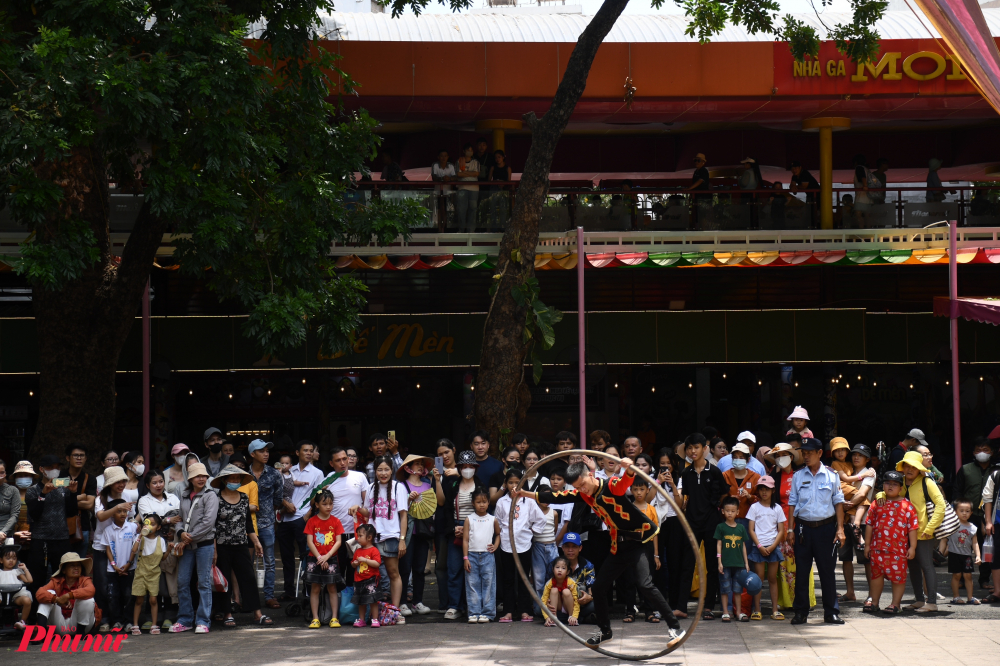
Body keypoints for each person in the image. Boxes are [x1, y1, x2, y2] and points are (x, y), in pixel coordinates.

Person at [517, 456, 684, 647]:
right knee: (598, 588)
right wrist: (523, 493)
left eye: (583, 484)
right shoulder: (585, 494)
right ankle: (605, 631)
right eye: (578, 487)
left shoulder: (610, 485)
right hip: (618, 546)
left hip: (638, 541)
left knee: (645, 584)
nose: (582, 490)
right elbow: (556, 496)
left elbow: (624, 483)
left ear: (590, 475)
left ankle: (675, 628)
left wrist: (628, 469)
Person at [787, 437, 846, 625]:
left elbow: (838, 503)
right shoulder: (798, 476)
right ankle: (801, 612)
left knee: (827, 572)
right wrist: (790, 529)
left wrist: (841, 529)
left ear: (819, 453)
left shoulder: (831, 475)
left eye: (809, 453)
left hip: (826, 529)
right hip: (803, 528)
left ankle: (831, 612)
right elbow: (792, 503)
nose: (806, 457)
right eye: (803, 453)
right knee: (802, 572)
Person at [211, 465, 269, 628]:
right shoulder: (216, 498)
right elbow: (213, 526)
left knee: (248, 577)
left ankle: (257, 613)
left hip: (241, 544)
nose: (235, 481)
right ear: (224, 480)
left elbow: (248, 524)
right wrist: (214, 549)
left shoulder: (244, 498)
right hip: (222, 546)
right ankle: (227, 613)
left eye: (238, 478)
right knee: (225, 581)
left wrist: (256, 542)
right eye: (232, 478)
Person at [678, 433, 727, 621]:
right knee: (687, 564)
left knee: (712, 566)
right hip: (692, 523)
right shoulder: (685, 473)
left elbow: (724, 494)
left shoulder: (714, 471)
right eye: (690, 448)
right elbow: (686, 497)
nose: (693, 451)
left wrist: (717, 510)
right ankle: (681, 607)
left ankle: (708, 606)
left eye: (696, 447)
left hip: (711, 523)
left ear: (704, 449)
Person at [890, 450, 945, 612]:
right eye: (906, 465)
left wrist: (930, 528)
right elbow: (889, 494)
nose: (909, 469)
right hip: (905, 533)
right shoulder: (901, 482)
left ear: (919, 468)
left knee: (927, 565)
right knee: (913, 567)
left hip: (923, 533)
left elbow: (941, 505)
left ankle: (932, 602)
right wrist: (880, 494)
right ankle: (920, 600)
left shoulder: (926, 482)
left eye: (913, 466)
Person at [169, 462, 219, 634]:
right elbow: (179, 518)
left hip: (203, 544)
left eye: (204, 476)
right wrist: (181, 532)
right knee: (182, 582)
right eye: (197, 476)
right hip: (187, 545)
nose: (201, 479)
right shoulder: (183, 495)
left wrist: (188, 538)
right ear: (190, 478)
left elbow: (208, 522)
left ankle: (203, 620)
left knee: (203, 583)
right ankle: (185, 619)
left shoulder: (210, 495)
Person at [358, 454, 408, 615]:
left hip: (392, 537)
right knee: (371, 575)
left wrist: (402, 539)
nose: (383, 473)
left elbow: (403, 515)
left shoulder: (398, 487)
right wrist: (357, 508)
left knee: (393, 573)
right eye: (380, 470)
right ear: (375, 471)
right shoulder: (372, 487)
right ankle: (374, 612)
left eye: (386, 469)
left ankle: (395, 610)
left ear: (392, 470)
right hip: (373, 538)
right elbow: (367, 511)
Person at [863, 470, 919, 614]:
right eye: (887, 483)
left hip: (898, 550)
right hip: (877, 548)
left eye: (895, 484)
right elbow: (869, 524)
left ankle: (896, 604)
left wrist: (912, 547)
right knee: (876, 575)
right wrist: (867, 545)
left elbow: (912, 528)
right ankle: (874, 602)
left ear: (901, 488)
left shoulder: (908, 506)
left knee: (898, 577)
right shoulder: (877, 503)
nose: (890, 486)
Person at [396, 454, 444, 617]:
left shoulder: (427, 485)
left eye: (421, 464)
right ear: (407, 468)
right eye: (416, 464)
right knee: (404, 568)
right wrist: (409, 500)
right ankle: (402, 602)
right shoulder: (402, 486)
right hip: (407, 533)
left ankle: (418, 601)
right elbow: (399, 510)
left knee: (419, 569)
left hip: (423, 532)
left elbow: (434, 505)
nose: (419, 466)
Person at [25, 454, 78, 601]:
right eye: (50, 468)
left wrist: (73, 494)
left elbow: (72, 512)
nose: (55, 470)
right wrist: (43, 494)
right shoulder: (33, 490)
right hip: (40, 540)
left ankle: (62, 612)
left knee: (62, 576)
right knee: (37, 577)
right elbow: (34, 514)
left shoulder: (63, 488)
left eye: (57, 468)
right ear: (42, 469)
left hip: (61, 538)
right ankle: (35, 613)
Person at [495, 468, 543, 623]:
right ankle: (508, 611)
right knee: (508, 578)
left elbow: (540, 520)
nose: (514, 485)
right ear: (506, 484)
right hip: (506, 545)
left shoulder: (529, 501)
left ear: (523, 483)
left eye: (517, 482)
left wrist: (530, 531)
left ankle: (524, 610)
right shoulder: (502, 501)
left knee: (524, 578)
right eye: (510, 482)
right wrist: (501, 535)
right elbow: (497, 522)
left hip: (524, 544)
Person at [276, 440, 322, 602]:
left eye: (311, 450)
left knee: (306, 557)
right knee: (286, 557)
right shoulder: (288, 469)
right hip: (285, 518)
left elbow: (319, 496)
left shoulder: (317, 473)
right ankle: (289, 591)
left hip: (302, 518)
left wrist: (308, 515)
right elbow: (277, 489)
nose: (309, 453)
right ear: (297, 453)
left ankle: (308, 591)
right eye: (305, 450)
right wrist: (284, 504)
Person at [442, 449, 482, 619]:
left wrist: (469, 528)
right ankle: (454, 606)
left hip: (476, 529)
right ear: (458, 468)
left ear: (475, 468)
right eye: (463, 466)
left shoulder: (480, 485)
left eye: (469, 466)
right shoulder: (453, 485)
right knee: (454, 569)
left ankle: (472, 606)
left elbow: (484, 508)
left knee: (474, 569)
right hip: (456, 530)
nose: (467, 469)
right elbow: (447, 510)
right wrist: (454, 529)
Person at [246, 439, 282, 610]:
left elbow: (278, 500)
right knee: (248, 561)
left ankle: (269, 596)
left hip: (267, 522)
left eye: (267, 451)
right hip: (247, 524)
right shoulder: (243, 475)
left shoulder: (275, 474)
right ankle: (250, 598)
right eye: (262, 451)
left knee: (270, 562)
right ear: (252, 454)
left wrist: (268, 514)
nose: (266, 454)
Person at [619, 476, 661, 623]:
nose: (638, 492)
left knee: (647, 580)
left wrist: (656, 555)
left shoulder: (651, 510)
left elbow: (655, 533)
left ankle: (649, 611)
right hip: (631, 545)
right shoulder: (628, 508)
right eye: (635, 489)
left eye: (642, 489)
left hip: (647, 546)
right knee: (630, 579)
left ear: (648, 490)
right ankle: (630, 611)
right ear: (631, 490)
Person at [839, 443, 875, 604]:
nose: (856, 457)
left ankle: (871, 594)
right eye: (854, 454)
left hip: (863, 522)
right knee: (845, 558)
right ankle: (850, 592)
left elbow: (862, 494)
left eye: (860, 455)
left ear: (867, 459)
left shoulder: (869, 474)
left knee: (866, 558)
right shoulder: (848, 472)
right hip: (846, 520)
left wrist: (848, 505)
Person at [957, 436, 995, 591]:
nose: (982, 453)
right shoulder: (965, 469)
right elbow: (957, 492)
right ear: (973, 452)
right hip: (967, 515)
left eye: (985, 449)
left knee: (986, 548)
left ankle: (984, 579)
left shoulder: (996, 471)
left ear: (992, 452)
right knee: (963, 547)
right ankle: (962, 578)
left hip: (989, 516)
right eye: (978, 450)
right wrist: (958, 513)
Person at [303, 488, 344, 629]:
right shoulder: (312, 521)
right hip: (315, 558)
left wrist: (327, 556)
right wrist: (320, 557)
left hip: (330, 558)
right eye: (325, 504)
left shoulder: (336, 521)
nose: (328, 507)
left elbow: (338, 541)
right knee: (315, 588)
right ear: (317, 505)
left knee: (332, 588)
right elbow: (310, 542)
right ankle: (315, 618)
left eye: (331, 504)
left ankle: (334, 617)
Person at [746, 476, 785, 620]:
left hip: (773, 547)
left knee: (773, 578)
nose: (764, 492)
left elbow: (781, 530)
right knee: (759, 579)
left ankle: (775, 610)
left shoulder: (777, 508)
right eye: (761, 489)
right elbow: (751, 529)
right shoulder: (754, 507)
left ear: (773, 491)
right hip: (759, 547)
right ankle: (757, 609)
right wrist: (760, 546)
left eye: (767, 489)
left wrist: (773, 546)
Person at [653, 450, 685, 618]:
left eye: (668, 464)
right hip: (658, 522)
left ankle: (673, 605)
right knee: (658, 564)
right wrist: (658, 481)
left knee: (674, 564)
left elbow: (679, 505)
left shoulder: (679, 479)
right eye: (662, 464)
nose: (665, 467)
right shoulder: (653, 478)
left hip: (674, 523)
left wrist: (672, 485)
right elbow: (648, 497)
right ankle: (659, 605)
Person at [34, 552, 98, 634]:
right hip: (60, 624)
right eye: (72, 565)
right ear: (63, 570)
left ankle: (80, 634)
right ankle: (40, 633)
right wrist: (56, 599)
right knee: (48, 594)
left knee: (88, 600)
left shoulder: (85, 580)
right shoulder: (56, 581)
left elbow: (91, 590)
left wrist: (68, 596)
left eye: (78, 565)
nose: (76, 568)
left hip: (79, 625)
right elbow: (39, 593)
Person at [463, 486, 499, 623]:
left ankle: (488, 613)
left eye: (484, 501)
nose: (482, 504)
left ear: (489, 502)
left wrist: (495, 545)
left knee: (489, 584)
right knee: (472, 584)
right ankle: (474, 612)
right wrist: (465, 557)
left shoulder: (492, 519)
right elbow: (465, 540)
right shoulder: (469, 519)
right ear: (473, 503)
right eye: (478, 502)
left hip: (487, 556)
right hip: (472, 555)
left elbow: (498, 534)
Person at [103, 497, 139, 631]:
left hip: (130, 569)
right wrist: (114, 566)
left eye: (125, 511)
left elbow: (135, 547)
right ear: (113, 513)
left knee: (129, 595)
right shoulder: (108, 530)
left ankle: (129, 621)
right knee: (113, 596)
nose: (123, 514)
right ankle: (117, 621)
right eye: (119, 511)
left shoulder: (133, 527)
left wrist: (128, 564)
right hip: (113, 570)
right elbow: (108, 549)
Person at [434, 438, 461, 614]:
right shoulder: (438, 474)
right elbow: (441, 502)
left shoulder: (465, 470)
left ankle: (457, 604)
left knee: (456, 566)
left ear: (454, 450)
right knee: (441, 567)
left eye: (446, 452)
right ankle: (445, 603)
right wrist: (437, 479)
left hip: (460, 525)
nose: (444, 456)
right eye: (440, 454)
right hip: (442, 525)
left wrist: (458, 474)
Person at [715, 496, 750, 622]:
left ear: (737, 512)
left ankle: (739, 612)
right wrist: (719, 561)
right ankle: (725, 612)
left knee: (737, 590)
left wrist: (746, 563)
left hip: (739, 563)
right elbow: (719, 544)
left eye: (733, 511)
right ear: (723, 511)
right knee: (725, 589)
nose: (730, 513)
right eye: (727, 510)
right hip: (725, 563)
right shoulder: (720, 527)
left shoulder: (741, 528)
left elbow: (744, 546)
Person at [131, 514, 165, 635]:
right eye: (147, 523)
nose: (149, 526)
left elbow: (163, 557)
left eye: (153, 524)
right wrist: (140, 535)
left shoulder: (161, 541)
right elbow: (134, 550)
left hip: (154, 573)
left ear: (158, 527)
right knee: (139, 599)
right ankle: (135, 625)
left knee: (153, 599)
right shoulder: (140, 539)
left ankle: (154, 624)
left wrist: (170, 549)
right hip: (141, 572)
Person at [942, 499, 981, 605]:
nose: (964, 513)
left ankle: (970, 597)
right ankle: (956, 597)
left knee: (968, 576)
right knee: (957, 575)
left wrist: (978, 555)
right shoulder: (951, 525)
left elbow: (975, 543)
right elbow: (944, 539)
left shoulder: (973, 528)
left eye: (967, 511)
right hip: (954, 554)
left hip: (967, 555)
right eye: (961, 510)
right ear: (955, 512)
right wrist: (942, 552)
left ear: (971, 513)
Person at [61, 443, 96, 557]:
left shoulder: (89, 479)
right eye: (76, 455)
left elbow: (90, 505)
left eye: (82, 455)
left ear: (86, 458)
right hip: (60, 525)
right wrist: (81, 497)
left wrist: (67, 499)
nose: (79, 458)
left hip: (82, 527)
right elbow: (57, 501)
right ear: (68, 458)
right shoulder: (60, 476)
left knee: (79, 563)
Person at [557, 532, 596, 623]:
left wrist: (589, 597)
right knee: (539, 609)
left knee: (598, 604)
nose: (570, 550)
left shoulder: (588, 565)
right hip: (561, 604)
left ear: (580, 548)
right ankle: (580, 619)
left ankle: (568, 618)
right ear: (562, 548)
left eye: (574, 546)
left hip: (580, 603)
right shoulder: (555, 564)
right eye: (567, 546)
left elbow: (592, 588)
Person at [350, 523, 382, 627]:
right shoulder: (358, 551)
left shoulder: (374, 550)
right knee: (361, 601)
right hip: (359, 580)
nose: (358, 538)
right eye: (357, 535)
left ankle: (375, 619)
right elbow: (353, 563)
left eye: (360, 536)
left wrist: (365, 560)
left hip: (371, 580)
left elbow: (377, 563)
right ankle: (362, 619)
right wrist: (354, 564)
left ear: (369, 537)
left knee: (373, 600)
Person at [722, 443, 761, 527]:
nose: (738, 460)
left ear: (748, 460)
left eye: (741, 457)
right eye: (735, 457)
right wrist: (728, 499)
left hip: (748, 520)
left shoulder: (755, 477)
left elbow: (761, 499)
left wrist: (749, 497)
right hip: (728, 520)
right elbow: (718, 498)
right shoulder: (724, 476)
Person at [1, 538, 32, 630]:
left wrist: (25, 569)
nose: (11, 560)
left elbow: (29, 581)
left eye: (14, 558)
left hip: (15, 596)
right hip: (1, 597)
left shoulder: (17, 572)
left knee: (27, 600)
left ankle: (22, 621)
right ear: (1, 560)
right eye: (8, 558)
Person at [542, 556, 580, 627]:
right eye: (557, 567)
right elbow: (543, 601)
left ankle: (570, 617)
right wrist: (547, 617)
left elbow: (576, 600)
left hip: (568, 606)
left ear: (568, 572)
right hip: (557, 606)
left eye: (563, 568)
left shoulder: (571, 583)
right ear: (553, 569)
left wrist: (575, 616)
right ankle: (554, 618)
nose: (560, 570)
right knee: (554, 590)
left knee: (566, 591)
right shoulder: (549, 583)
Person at [454, 143, 480, 232]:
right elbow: (458, 174)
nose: (470, 152)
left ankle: (471, 231)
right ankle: (461, 230)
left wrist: (464, 173)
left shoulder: (476, 162)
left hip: (474, 189)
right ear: (464, 151)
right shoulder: (459, 161)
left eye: (471, 150)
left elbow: (476, 174)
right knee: (461, 209)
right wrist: (471, 173)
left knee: (473, 209)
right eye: (468, 150)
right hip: (462, 188)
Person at [486, 150, 512, 232]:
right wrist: (497, 181)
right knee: (493, 207)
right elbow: (489, 180)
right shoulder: (493, 167)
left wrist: (503, 183)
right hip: (494, 188)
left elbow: (509, 181)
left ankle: (503, 226)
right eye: (496, 158)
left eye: (499, 157)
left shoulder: (508, 168)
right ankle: (494, 227)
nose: (497, 159)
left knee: (503, 208)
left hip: (503, 189)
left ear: (503, 157)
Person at [431, 150, 456, 228]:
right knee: (438, 210)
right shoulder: (435, 165)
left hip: (447, 192)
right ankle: (439, 228)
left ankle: (444, 228)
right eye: (442, 156)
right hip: (437, 192)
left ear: (448, 157)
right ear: (438, 157)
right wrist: (442, 178)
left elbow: (455, 177)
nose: (443, 158)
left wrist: (449, 179)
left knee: (445, 210)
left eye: (445, 156)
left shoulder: (451, 166)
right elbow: (434, 177)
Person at [0, 460, 19, 547]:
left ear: (5, 473)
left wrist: (3, 532)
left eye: (2, 472)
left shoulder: (13, 490)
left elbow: (14, 515)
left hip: (6, 536)